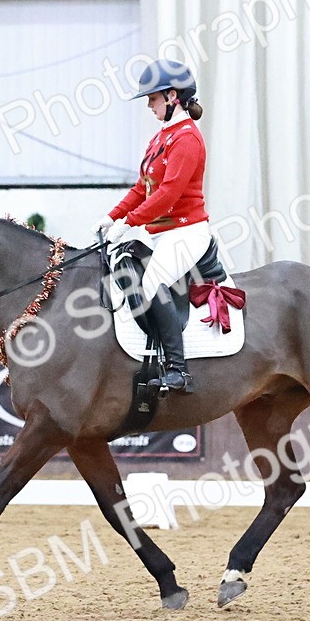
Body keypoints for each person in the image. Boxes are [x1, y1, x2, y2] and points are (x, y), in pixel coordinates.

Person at [94, 59, 209, 393]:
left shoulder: (187, 139)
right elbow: (141, 187)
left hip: (186, 231)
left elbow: (169, 194)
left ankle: (178, 370)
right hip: (160, 232)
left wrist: (129, 222)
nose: (149, 106)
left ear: (172, 96)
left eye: (153, 99)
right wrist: (112, 217)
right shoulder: (161, 137)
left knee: (152, 281)